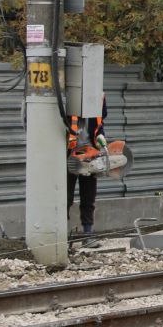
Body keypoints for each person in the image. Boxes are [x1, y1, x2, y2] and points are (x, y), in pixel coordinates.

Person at [66, 95, 108, 240]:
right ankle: (60, 235)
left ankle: (88, 234)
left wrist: (101, 137)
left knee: (88, 196)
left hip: (90, 155)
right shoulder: (69, 95)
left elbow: (100, 123)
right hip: (69, 155)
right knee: (65, 197)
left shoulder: (98, 95)